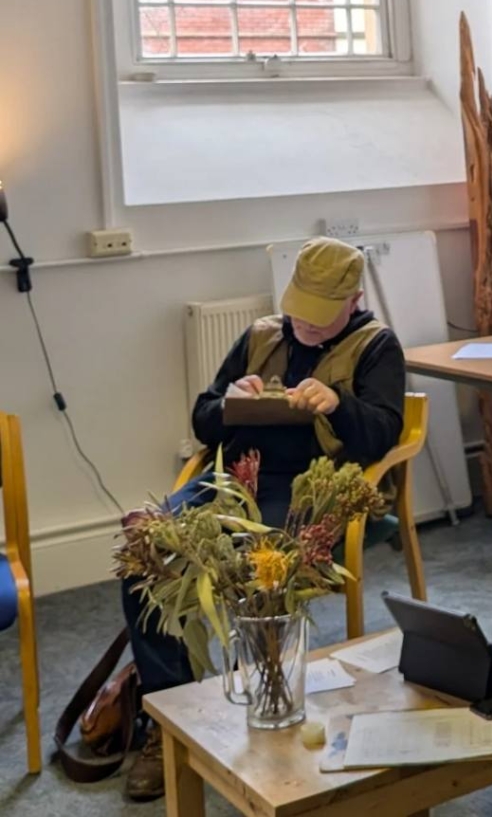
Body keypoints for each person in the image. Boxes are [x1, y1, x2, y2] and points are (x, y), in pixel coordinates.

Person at [121, 237, 405, 800]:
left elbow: (382, 436)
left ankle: (272, 708)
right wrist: (230, 400)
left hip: (306, 487)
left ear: (353, 298)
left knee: (259, 570)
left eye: (321, 315)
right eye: (299, 306)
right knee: (144, 556)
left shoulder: (376, 346)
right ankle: (164, 718)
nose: (305, 323)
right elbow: (203, 421)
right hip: (232, 477)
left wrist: (338, 404)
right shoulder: (262, 334)